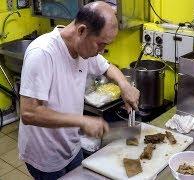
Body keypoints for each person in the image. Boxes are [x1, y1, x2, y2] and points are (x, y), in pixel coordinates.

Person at [18, 2, 139, 179]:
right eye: (100, 44)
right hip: (45, 154)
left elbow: (107, 67)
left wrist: (125, 85)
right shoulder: (42, 53)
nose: (102, 50)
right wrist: (82, 121)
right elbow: (29, 113)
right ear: (81, 30)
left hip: (72, 146)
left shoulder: (84, 48)